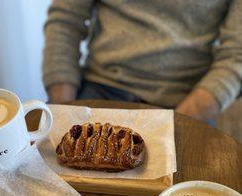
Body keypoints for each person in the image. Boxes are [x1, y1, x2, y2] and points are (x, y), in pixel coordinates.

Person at [43, 0, 242, 122]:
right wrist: (63, 109)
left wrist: (178, 122)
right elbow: (65, 21)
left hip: (186, 101)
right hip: (100, 87)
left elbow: (236, 56)